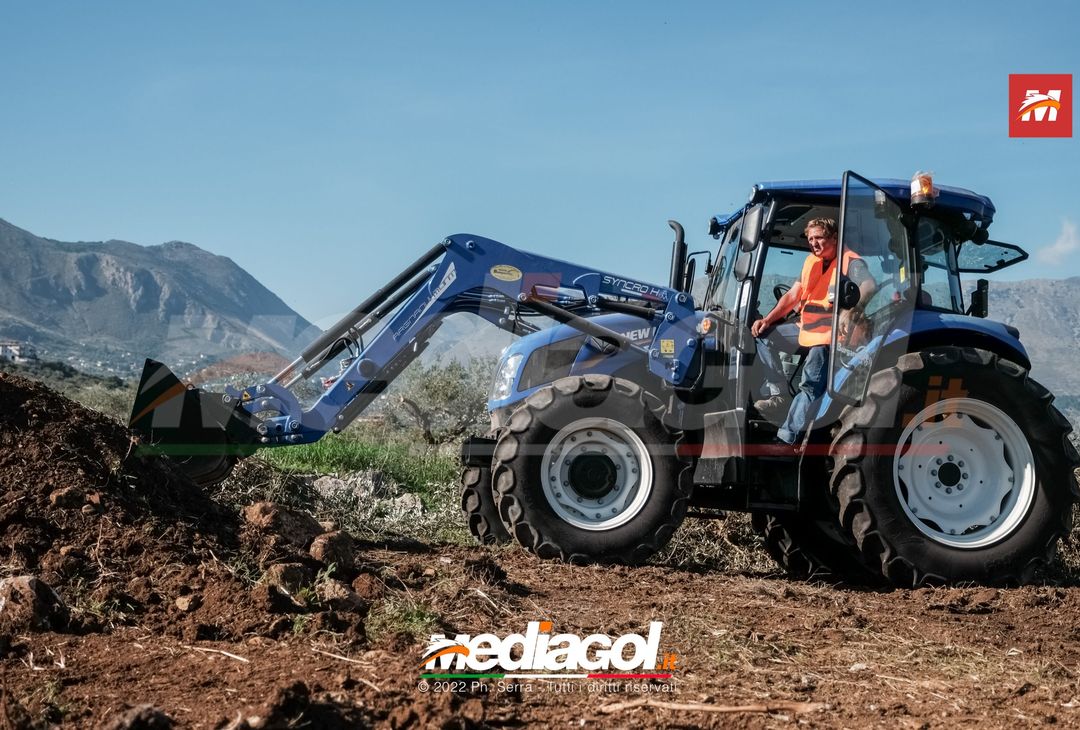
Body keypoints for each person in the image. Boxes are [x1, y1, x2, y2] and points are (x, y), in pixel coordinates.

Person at [751, 218, 875, 446]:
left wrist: (851, 313)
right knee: (764, 337)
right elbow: (792, 296)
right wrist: (767, 320)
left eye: (819, 237)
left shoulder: (850, 261)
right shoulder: (811, 261)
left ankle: (788, 440)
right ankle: (779, 395)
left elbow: (868, 286)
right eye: (810, 239)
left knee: (810, 386)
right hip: (806, 329)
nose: (814, 243)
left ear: (834, 238)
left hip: (829, 336)